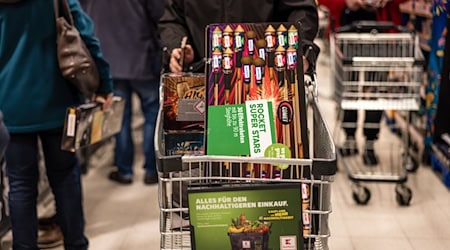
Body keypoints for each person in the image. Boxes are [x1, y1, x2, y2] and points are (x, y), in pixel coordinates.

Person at [0, 0, 113, 249]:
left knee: (20, 184)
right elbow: (85, 35)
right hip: (58, 103)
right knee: (65, 177)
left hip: (11, 105)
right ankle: (76, 243)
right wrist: (104, 85)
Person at [80, 0, 164, 185]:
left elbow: (81, 16)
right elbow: (159, 15)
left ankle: (124, 170)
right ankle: (153, 170)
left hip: (109, 59)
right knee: (152, 114)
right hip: (142, 56)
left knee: (118, 118)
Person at [319, 0, 408, 165]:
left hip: (381, 34)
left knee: (374, 91)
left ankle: (370, 142)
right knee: (348, 90)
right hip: (346, 33)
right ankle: (349, 137)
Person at [159, 0, 320, 74]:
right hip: (202, 81)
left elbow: (302, 10)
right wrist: (178, 46)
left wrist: (299, 45)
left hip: (266, 79)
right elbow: (172, 18)